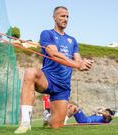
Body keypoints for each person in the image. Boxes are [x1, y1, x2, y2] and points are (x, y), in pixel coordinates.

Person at [14, 6, 94, 134]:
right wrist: (77, 64)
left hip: (63, 86)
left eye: (67, 16)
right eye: (62, 16)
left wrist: (84, 64)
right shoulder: (47, 33)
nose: (65, 19)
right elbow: (53, 54)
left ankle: (47, 118)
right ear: (54, 17)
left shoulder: (72, 41)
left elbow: (77, 60)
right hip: (48, 79)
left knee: (56, 126)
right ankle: (25, 122)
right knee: (30, 72)